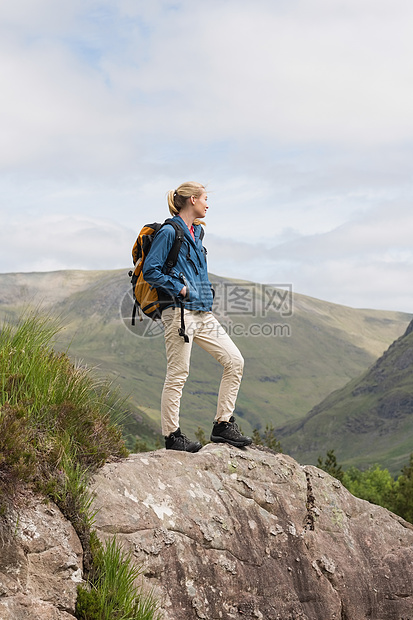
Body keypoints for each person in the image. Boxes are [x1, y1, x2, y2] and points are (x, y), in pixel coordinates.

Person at [142, 181, 252, 452]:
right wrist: (179, 288)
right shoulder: (170, 231)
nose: (207, 203)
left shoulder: (197, 234)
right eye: (204, 198)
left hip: (202, 312)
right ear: (192, 199)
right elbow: (151, 270)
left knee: (235, 361)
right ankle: (172, 436)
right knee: (178, 373)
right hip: (178, 312)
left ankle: (222, 425)